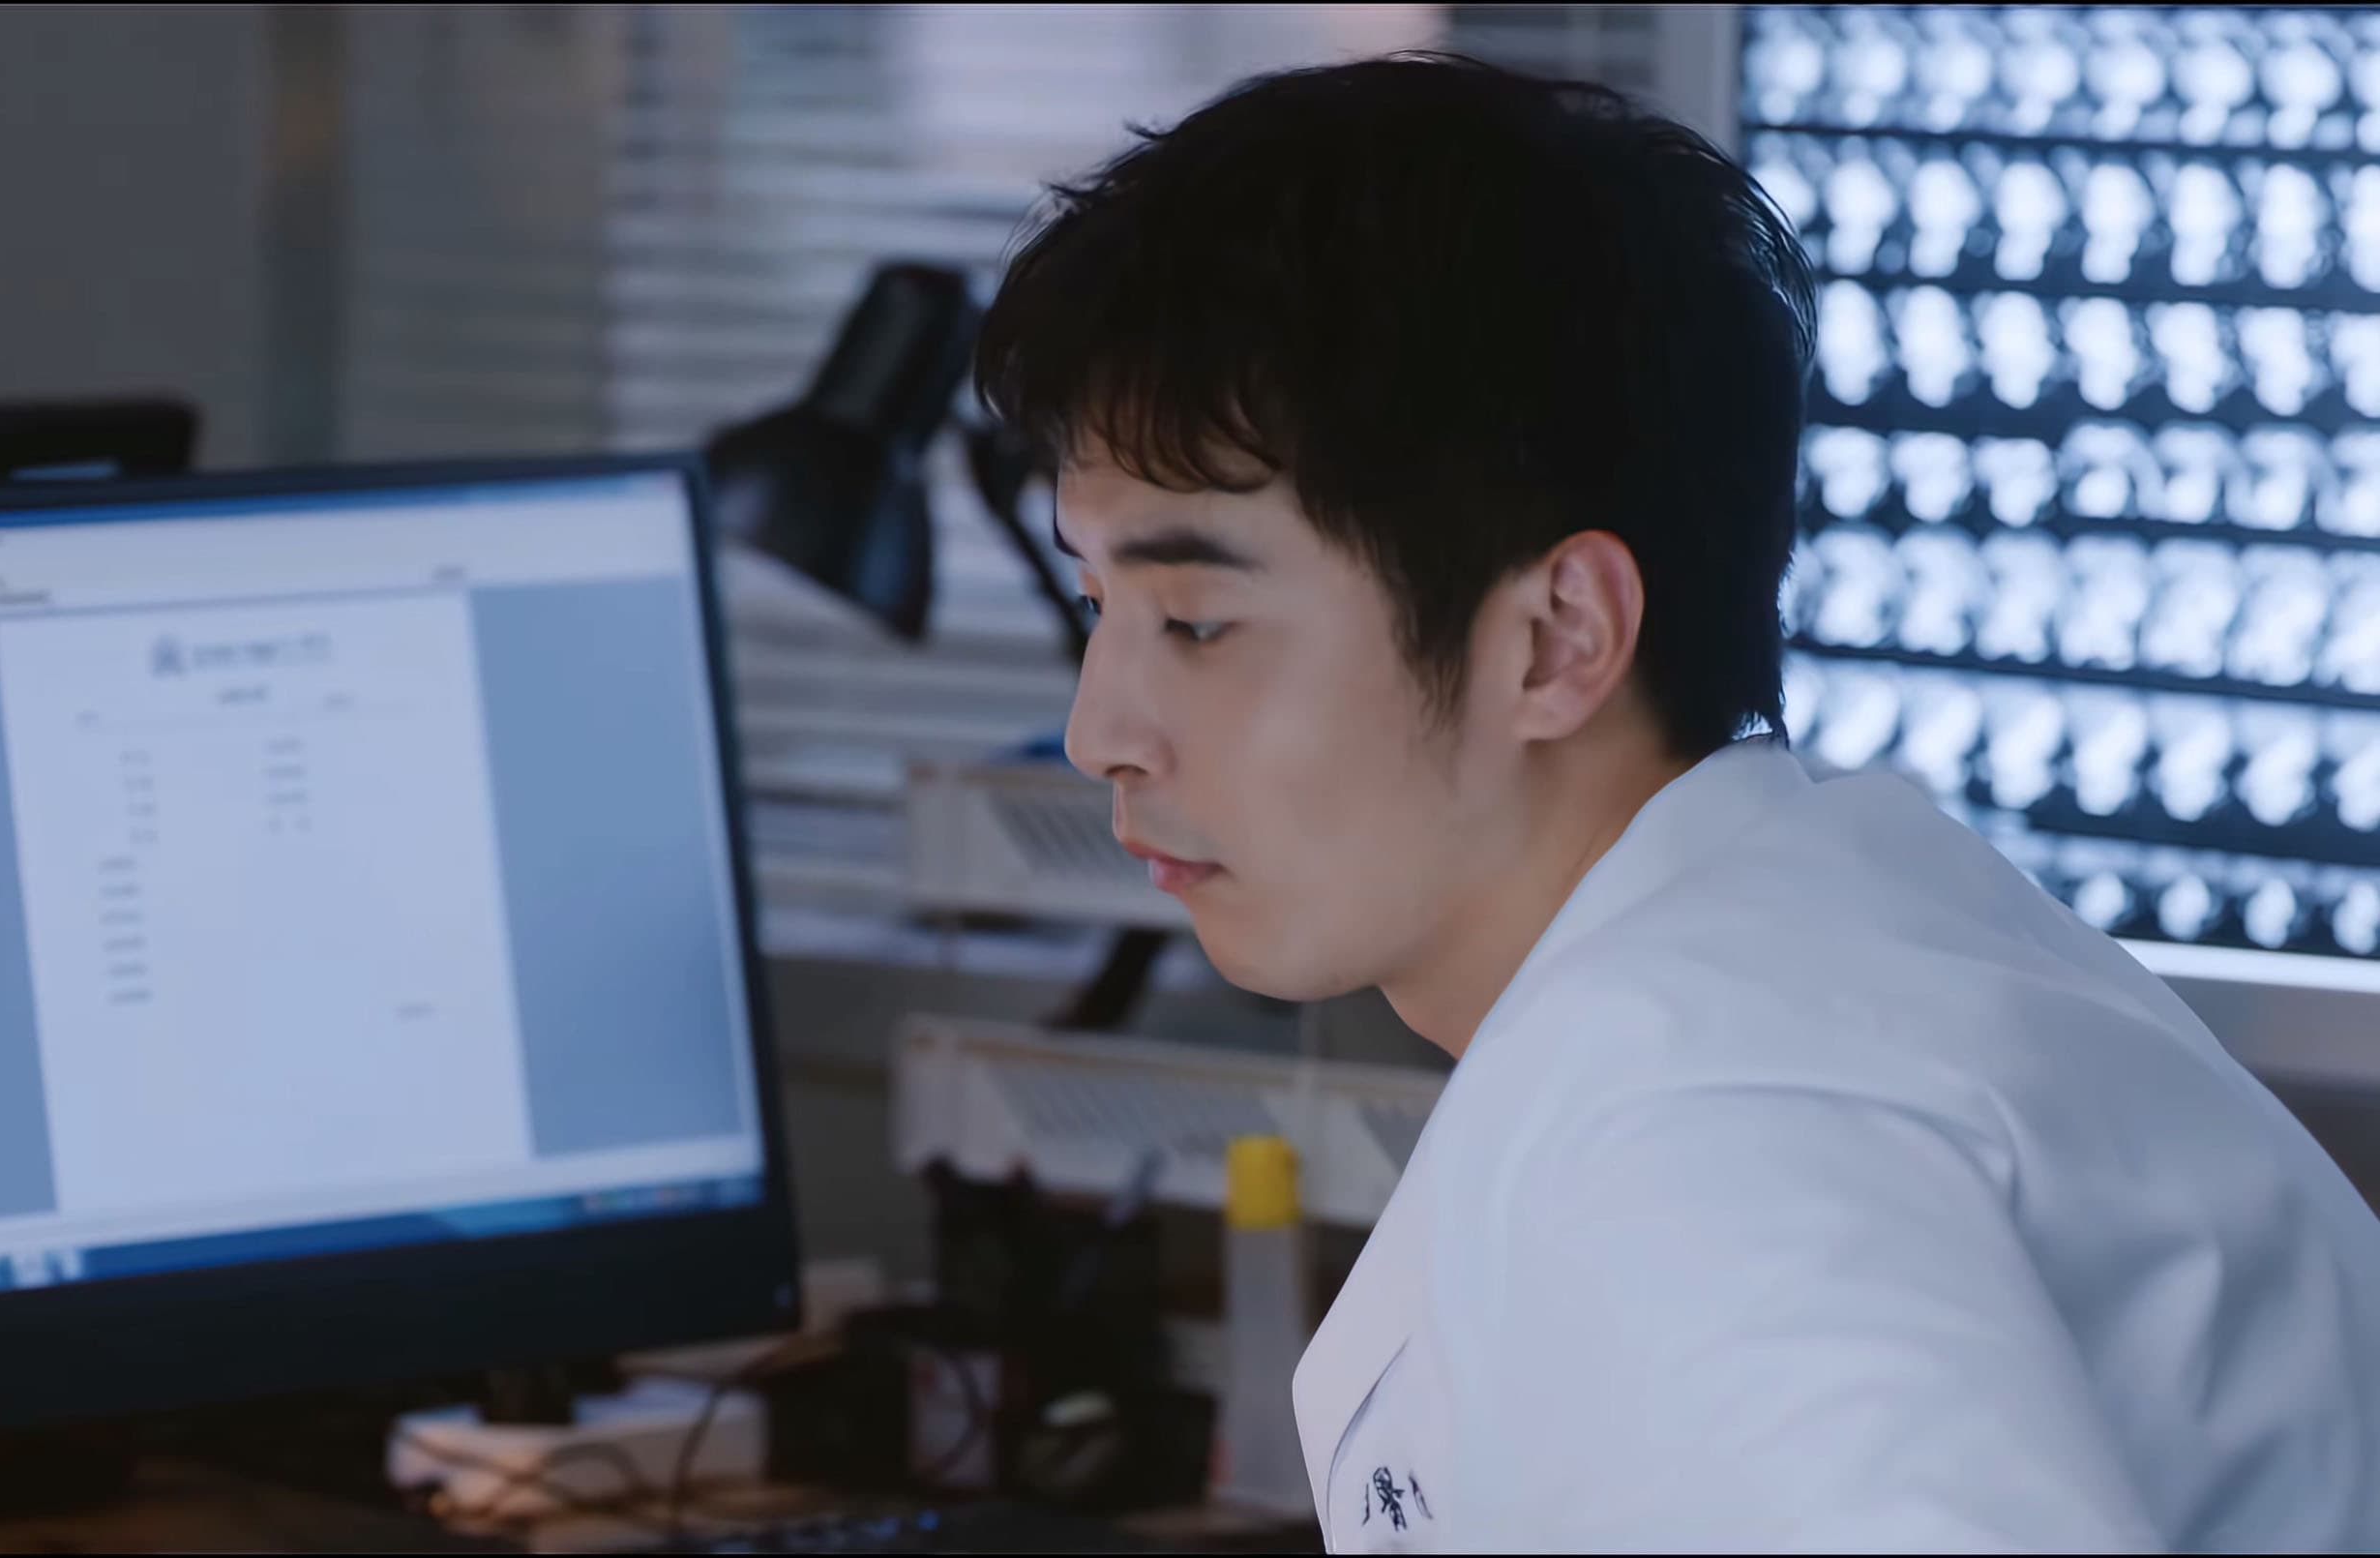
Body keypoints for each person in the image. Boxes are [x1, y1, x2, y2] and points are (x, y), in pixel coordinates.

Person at [973, 50, 2380, 1554]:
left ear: (1555, 638)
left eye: (1194, 622)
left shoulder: (1704, 1124)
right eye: (1096, 607)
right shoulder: (1815, 921)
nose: (1098, 733)